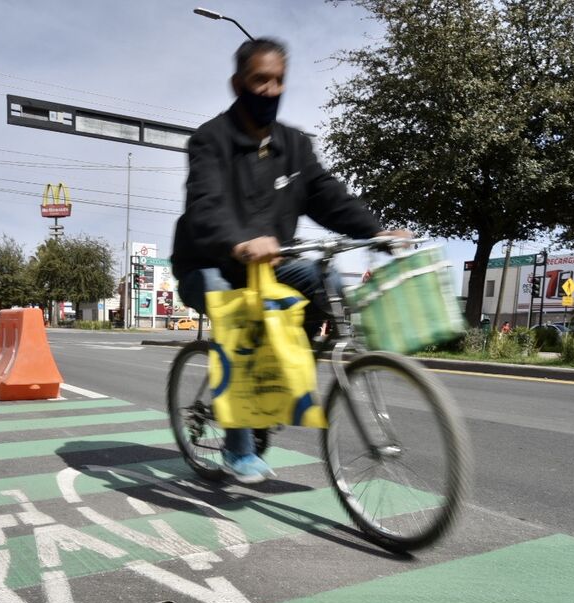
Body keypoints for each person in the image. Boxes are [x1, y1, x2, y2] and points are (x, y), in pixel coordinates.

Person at [173, 37, 409, 484]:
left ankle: (278, 381)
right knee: (241, 321)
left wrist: (376, 232)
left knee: (329, 283)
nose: (270, 89)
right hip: (210, 263)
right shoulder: (210, 140)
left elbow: (327, 196)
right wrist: (240, 242)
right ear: (238, 84)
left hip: (271, 265)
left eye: (278, 80)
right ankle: (237, 448)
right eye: (259, 80)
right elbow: (205, 207)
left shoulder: (294, 145)